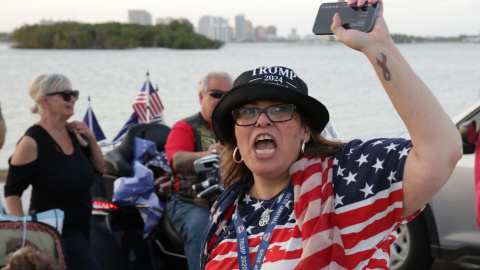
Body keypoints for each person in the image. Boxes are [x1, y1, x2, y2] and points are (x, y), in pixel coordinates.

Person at [200, 1, 463, 269]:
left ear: (305, 130)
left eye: (280, 110)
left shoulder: (346, 184)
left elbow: (441, 152)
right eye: (247, 112)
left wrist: (378, 47)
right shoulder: (225, 212)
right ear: (235, 132)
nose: (263, 121)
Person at [4, 74, 104, 270]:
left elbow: (100, 168)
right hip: (54, 233)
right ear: (45, 101)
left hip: (83, 226)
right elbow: (12, 190)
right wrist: (25, 231)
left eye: (74, 94)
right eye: (66, 95)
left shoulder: (74, 132)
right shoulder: (31, 142)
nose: (73, 99)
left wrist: (91, 139)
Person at [164, 71, 232, 270]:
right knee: (202, 228)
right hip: (188, 202)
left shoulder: (238, 127)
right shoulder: (185, 127)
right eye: (216, 94)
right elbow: (176, 160)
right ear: (201, 96)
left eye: (227, 96)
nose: (222, 100)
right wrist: (208, 154)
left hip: (230, 199)